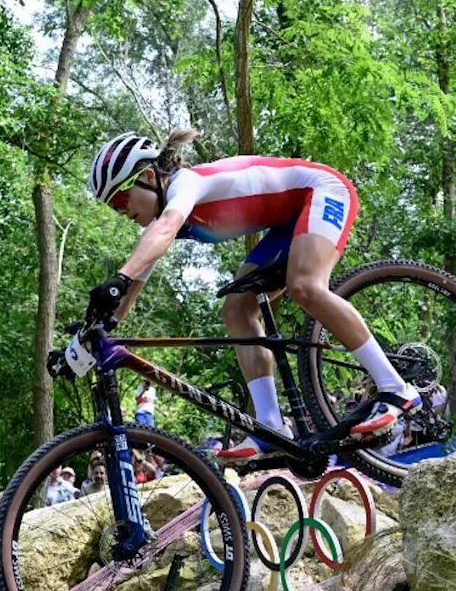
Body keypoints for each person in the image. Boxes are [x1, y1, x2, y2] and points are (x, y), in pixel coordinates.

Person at [78, 131, 421, 463]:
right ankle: (272, 425)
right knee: (236, 311)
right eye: (112, 207)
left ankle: (396, 387)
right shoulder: (164, 216)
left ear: (150, 176)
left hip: (322, 191)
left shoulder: (186, 185)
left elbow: (158, 238)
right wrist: (85, 341)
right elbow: (134, 282)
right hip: (286, 221)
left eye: (120, 199)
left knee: (305, 285)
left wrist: (118, 279)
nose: (120, 211)